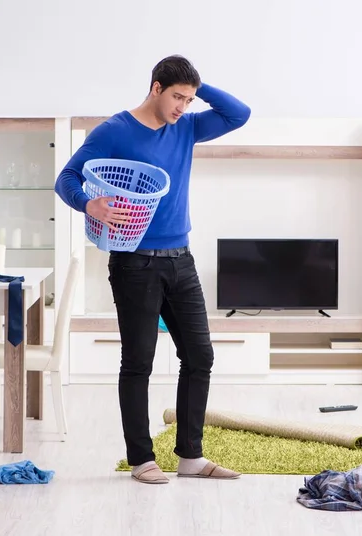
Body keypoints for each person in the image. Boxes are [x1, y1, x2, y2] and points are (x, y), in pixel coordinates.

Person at [55, 55, 251, 484]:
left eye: (189, 98)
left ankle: (190, 458)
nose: (183, 106)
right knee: (138, 361)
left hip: (181, 259)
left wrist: (199, 87)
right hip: (133, 263)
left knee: (200, 356)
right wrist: (89, 203)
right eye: (177, 96)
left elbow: (239, 114)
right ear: (156, 88)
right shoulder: (115, 130)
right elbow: (66, 178)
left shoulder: (188, 126)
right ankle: (141, 459)